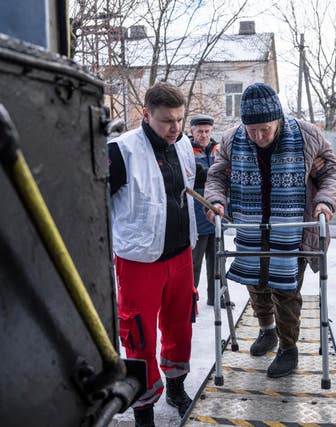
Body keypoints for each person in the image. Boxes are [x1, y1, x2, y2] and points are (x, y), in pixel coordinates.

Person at [205, 82, 336, 378]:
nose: (258, 136)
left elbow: (332, 171)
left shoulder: (307, 135)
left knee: (286, 289)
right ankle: (267, 330)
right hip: (251, 227)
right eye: (252, 130)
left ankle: (288, 348)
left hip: (294, 228)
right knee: (256, 283)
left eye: (264, 129)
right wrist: (216, 200)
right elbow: (217, 176)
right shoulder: (232, 139)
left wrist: (324, 203)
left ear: (278, 119)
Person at [108, 82, 197, 426]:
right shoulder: (121, 151)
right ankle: (143, 407)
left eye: (178, 119)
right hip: (138, 261)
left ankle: (176, 386)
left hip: (180, 254)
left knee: (179, 326)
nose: (175, 128)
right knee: (139, 335)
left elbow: (186, 189)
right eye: (166, 121)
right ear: (145, 115)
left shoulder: (185, 145)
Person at [189, 114, 219, 306]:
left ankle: (216, 297)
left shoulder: (218, 150)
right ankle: (190, 300)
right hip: (197, 215)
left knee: (217, 261)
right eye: (200, 131)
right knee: (195, 263)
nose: (204, 134)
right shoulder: (186, 150)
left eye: (207, 131)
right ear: (192, 132)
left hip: (215, 215)